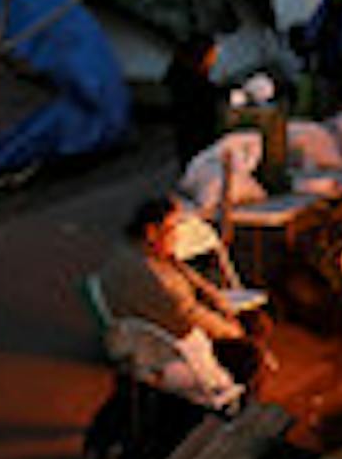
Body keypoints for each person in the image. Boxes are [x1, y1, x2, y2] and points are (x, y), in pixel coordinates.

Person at [96, 195, 264, 388]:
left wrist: (221, 305)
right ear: (152, 232)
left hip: (163, 326)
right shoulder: (152, 276)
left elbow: (194, 281)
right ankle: (235, 399)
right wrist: (233, 331)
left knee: (253, 322)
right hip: (169, 345)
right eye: (172, 229)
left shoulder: (139, 250)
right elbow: (188, 316)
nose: (177, 236)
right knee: (249, 353)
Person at [162, 35, 223, 171]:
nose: (214, 59)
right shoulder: (193, 82)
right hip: (196, 135)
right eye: (212, 55)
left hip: (188, 135)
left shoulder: (181, 76)